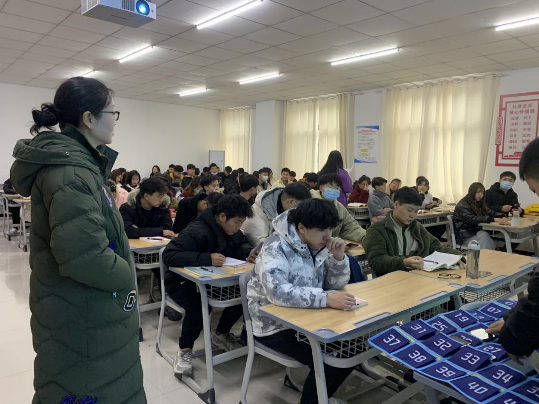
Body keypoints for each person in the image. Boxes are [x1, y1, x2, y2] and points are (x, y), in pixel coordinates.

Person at [10, 76, 145, 403]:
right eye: (112, 113)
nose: (115, 121)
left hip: (85, 308)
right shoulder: (70, 172)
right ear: (88, 118)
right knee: (90, 386)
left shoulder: (81, 166)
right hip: (83, 313)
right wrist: (126, 274)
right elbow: (84, 256)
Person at [247, 198, 354, 404]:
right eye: (322, 230)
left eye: (330, 229)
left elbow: (335, 285)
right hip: (273, 324)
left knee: (353, 346)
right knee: (333, 356)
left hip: (307, 317)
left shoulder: (318, 244)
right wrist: (326, 298)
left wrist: (338, 259)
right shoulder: (275, 247)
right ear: (302, 228)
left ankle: (320, 397)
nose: (328, 235)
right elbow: (277, 292)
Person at [163, 195, 254, 374]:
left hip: (212, 281)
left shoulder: (231, 229)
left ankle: (221, 333)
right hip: (181, 282)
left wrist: (250, 253)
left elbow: (241, 244)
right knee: (198, 304)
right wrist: (206, 258)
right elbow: (169, 255)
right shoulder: (197, 230)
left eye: (241, 223)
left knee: (245, 293)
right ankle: (185, 350)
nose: (239, 227)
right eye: (237, 222)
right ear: (222, 216)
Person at [487, 138, 539, 364]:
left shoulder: (513, 195)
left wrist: (512, 337)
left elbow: (537, 302)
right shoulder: (490, 193)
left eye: (535, 190)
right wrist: (510, 322)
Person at [363, 187, 464, 277]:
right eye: (409, 210)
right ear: (396, 204)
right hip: (392, 282)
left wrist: (456, 257)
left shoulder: (416, 227)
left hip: (420, 278)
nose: (413, 216)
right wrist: (404, 262)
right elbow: (377, 261)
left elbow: (436, 248)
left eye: (416, 211)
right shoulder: (377, 230)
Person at [241, 182, 312, 247]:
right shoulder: (259, 212)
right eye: (300, 206)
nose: (302, 210)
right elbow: (262, 244)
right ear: (291, 202)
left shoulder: (287, 209)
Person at [453, 182, 509, 250]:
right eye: (478, 192)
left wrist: (502, 216)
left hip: (475, 231)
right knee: (485, 239)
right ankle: (483, 255)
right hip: (464, 235)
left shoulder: (478, 203)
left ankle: (485, 255)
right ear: (472, 192)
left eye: (482, 193)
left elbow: (490, 212)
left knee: (486, 236)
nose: (480, 195)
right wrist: (494, 219)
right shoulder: (462, 205)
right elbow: (473, 219)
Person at [312, 174, 366, 242]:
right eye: (331, 186)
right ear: (321, 188)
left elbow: (350, 226)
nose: (334, 190)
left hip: (332, 245)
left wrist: (365, 237)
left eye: (337, 188)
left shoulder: (339, 207)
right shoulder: (310, 205)